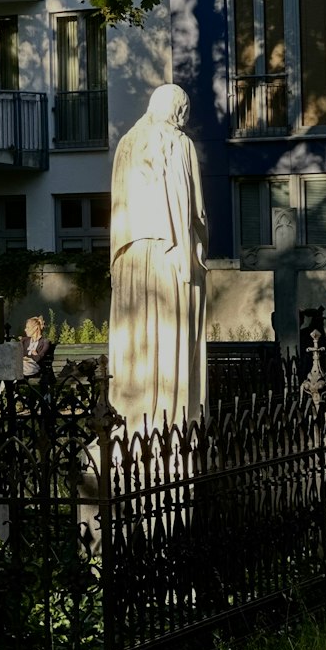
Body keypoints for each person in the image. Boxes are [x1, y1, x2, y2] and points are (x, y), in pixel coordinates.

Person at [108, 83, 208, 433]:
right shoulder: (179, 144)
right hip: (171, 256)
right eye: (184, 113)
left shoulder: (125, 144)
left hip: (130, 260)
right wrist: (198, 246)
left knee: (136, 337)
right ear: (177, 111)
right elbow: (196, 212)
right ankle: (173, 424)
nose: (184, 120)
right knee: (169, 336)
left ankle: (133, 422)